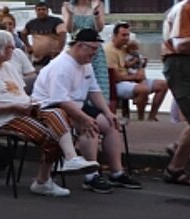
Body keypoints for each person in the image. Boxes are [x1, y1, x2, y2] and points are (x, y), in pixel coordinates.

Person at [0, 29, 98, 198]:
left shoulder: (8, 66)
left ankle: (70, 158)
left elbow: (19, 94)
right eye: (10, 47)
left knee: (57, 111)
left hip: (24, 108)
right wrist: (15, 107)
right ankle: (42, 182)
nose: (14, 50)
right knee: (51, 136)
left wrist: (30, 103)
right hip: (5, 117)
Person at [31, 28, 140, 191]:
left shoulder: (85, 64)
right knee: (90, 126)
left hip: (75, 104)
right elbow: (60, 100)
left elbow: (94, 90)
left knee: (110, 124)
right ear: (80, 46)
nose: (95, 54)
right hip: (51, 108)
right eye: (93, 49)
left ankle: (117, 173)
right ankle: (91, 176)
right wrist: (84, 118)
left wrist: (108, 112)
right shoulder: (61, 66)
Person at [107, 22, 168, 120]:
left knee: (163, 84)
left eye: (128, 35)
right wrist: (135, 77)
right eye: (123, 35)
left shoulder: (125, 48)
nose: (126, 38)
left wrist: (142, 64)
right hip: (118, 84)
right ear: (114, 36)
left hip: (131, 79)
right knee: (143, 89)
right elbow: (115, 77)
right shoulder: (109, 50)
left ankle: (151, 117)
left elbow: (135, 61)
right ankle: (141, 118)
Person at [161, 0, 190, 183]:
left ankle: (178, 150)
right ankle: (174, 168)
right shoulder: (187, 7)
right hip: (180, 64)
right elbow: (179, 45)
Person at [63, 0, 108, 90]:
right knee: (77, 81)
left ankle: (99, 106)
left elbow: (99, 28)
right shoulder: (68, 6)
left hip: (94, 49)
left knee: (98, 83)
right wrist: (71, 15)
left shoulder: (98, 5)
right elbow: (69, 29)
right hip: (77, 48)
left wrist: (96, 13)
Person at [23, 1, 66, 68]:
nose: (41, 11)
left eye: (43, 9)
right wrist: (28, 46)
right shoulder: (31, 23)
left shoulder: (56, 21)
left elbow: (62, 35)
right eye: (39, 10)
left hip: (53, 58)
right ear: (36, 11)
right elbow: (23, 34)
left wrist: (58, 50)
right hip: (37, 60)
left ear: (47, 10)